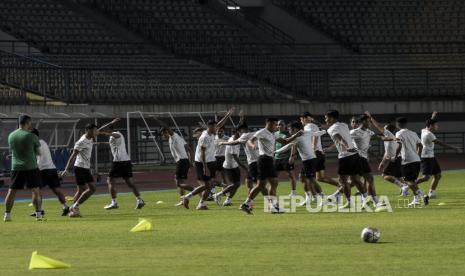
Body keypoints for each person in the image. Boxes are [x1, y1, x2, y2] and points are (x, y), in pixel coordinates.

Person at [239, 118, 302, 214]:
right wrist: (252, 145)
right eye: (275, 124)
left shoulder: (273, 134)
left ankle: (249, 204)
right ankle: (270, 206)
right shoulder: (262, 132)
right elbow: (250, 140)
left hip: (268, 160)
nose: (277, 126)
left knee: (266, 184)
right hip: (264, 160)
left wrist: (296, 135)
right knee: (269, 183)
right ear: (269, 124)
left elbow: (285, 141)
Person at [181, 108, 234, 210]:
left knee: (210, 185)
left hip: (211, 161)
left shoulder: (212, 132)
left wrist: (227, 115)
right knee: (207, 184)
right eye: (214, 126)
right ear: (209, 127)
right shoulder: (204, 137)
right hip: (202, 162)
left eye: (216, 126)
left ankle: (200, 203)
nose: (216, 128)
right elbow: (202, 153)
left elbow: (219, 124)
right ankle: (188, 198)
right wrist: (205, 167)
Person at [97, 118, 145, 210]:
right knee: (130, 183)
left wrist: (105, 133)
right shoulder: (111, 137)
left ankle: (114, 203)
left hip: (119, 162)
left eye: (106, 129)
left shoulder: (117, 133)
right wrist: (102, 142)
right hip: (125, 161)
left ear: (109, 129)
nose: (104, 130)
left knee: (110, 181)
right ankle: (139, 200)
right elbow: (113, 142)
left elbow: (115, 136)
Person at [4, 115, 44, 221]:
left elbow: (13, 150)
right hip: (31, 166)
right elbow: (39, 153)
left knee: (11, 191)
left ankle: (7, 215)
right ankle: (38, 214)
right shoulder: (32, 136)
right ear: (28, 123)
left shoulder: (11, 135)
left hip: (16, 167)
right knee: (35, 190)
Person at [276, 121, 325, 206]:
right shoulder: (303, 134)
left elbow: (286, 144)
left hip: (310, 160)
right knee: (302, 178)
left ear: (295, 129)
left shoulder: (299, 136)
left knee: (311, 180)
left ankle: (322, 198)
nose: (289, 131)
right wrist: (324, 131)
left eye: (290, 129)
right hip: (307, 160)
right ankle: (309, 198)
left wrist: (275, 151)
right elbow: (317, 133)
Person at [325, 110, 367, 209]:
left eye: (326, 117)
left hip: (345, 156)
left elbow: (339, 139)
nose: (325, 119)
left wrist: (346, 146)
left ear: (332, 118)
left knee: (343, 181)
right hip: (354, 155)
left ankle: (349, 202)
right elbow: (342, 137)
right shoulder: (344, 125)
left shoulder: (331, 129)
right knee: (356, 179)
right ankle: (366, 198)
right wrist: (331, 148)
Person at [415, 112, 462, 198]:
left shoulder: (424, 130)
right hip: (426, 157)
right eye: (435, 125)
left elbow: (428, 123)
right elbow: (441, 144)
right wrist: (455, 148)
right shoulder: (428, 134)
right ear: (430, 126)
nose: (437, 126)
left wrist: (433, 117)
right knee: (426, 178)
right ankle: (408, 185)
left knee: (438, 175)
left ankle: (431, 193)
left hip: (431, 157)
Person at [365, 112, 410, 196]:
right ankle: (405, 190)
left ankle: (403, 186)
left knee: (385, 176)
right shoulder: (389, 138)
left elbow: (378, 126)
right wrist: (382, 162)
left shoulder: (388, 134)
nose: (383, 129)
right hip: (397, 158)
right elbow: (387, 153)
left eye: (384, 128)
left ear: (387, 130)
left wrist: (370, 117)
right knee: (399, 177)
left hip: (395, 158)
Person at [61, 123, 100, 217]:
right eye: (94, 130)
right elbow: (73, 156)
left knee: (81, 190)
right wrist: (66, 169)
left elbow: (100, 130)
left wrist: (111, 123)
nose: (96, 132)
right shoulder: (81, 141)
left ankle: (73, 209)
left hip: (85, 167)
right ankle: (75, 207)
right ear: (88, 130)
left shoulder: (90, 137)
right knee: (92, 188)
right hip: (80, 168)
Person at [349, 114, 387, 209]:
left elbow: (378, 137)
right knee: (366, 179)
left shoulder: (369, 132)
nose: (370, 123)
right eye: (368, 121)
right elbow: (343, 140)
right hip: (357, 158)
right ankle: (373, 201)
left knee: (356, 181)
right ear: (362, 122)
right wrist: (348, 149)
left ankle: (366, 200)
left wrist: (391, 139)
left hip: (363, 159)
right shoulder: (354, 132)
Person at [31, 128, 69, 216]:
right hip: (52, 169)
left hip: (42, 170)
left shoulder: (35, 143)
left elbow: (34, 155)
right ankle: (65, 207)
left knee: (36, 190)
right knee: (56, 190)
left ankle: (39, 210)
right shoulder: (43, 142)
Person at [394, 117, 427, 206]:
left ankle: (422, 195)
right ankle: (415, 200)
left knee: (408, 181)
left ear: (398, 124)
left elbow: (399, 146)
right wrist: (417, 155)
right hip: (416, 160)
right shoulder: (413, 133)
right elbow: (420, 145)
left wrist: (395, 156)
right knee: (413, 180)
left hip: (407, 160)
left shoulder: (398, 133)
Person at [212, 127, 248, 206]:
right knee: (235, 184)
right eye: (242, 133)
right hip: (229, 166)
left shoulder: (235, 138)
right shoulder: (232, 142)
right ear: (237, 133)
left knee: (237, 184)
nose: (244, 134)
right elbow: (236, 158)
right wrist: (245, 168)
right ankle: (217, 195)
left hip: (234, 165)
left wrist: (242, 118)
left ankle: (228, 200)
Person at [274, 120, 297, 197]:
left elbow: (293, 144)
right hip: (277, 157)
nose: (279, 126)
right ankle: (273, 191)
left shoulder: (288, 134)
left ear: (285, 126)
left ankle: (293, 193)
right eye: (278, 125)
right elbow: (274, 145)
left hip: (286, 157)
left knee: (290, 175)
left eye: (281, 124)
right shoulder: (275, 134)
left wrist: (292, 156)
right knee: (274, 176)